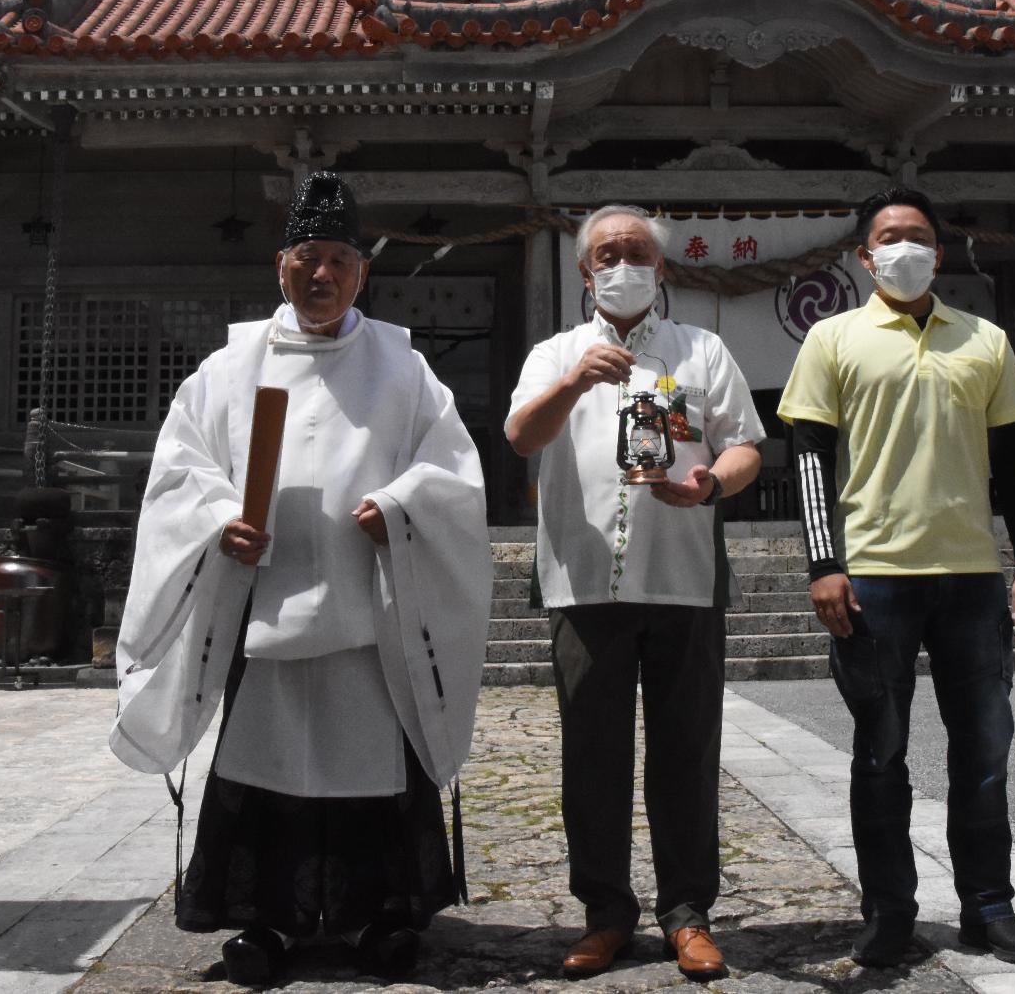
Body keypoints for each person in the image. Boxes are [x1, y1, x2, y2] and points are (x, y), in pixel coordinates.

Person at [110, 172, 492, 988]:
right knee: (267, 766)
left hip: (369, 616)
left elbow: (453, 475)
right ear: (279, 263)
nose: (322, 274)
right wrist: (221, 521)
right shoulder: (227, 368)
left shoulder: (404, 368)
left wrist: (398, 504)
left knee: (374, 768)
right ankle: (267, 920)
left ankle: (381, 915)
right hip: (266, 611)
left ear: (364, 272)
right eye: (307, 257)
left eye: (339, 260)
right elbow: (179, 472)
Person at [776, 186, 1015, 968]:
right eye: (890, 237)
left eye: (919, 236)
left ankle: (988, 905)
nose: (905, 248)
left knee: (984, 749)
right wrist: (824, 562)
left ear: (940, 248)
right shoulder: (832, 339)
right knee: (879, 752)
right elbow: (806, 457)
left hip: (970, 574)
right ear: (865, 257)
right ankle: (890, 912)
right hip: (874, 576)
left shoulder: (984, 341)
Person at [506, 204, 766, 980]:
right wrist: (573, 381)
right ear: (585, 273)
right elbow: (522, 435)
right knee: (593, 754)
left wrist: (711, 483)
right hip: (584, 582)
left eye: (636, 253)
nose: (622, 264)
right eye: (606, 254)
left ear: (661, 270)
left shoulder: (702, 350)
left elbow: (747, 444)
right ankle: (606, 912)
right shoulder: (556, 351)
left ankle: (687, 912)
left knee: (686, 751)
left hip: (682, 578)